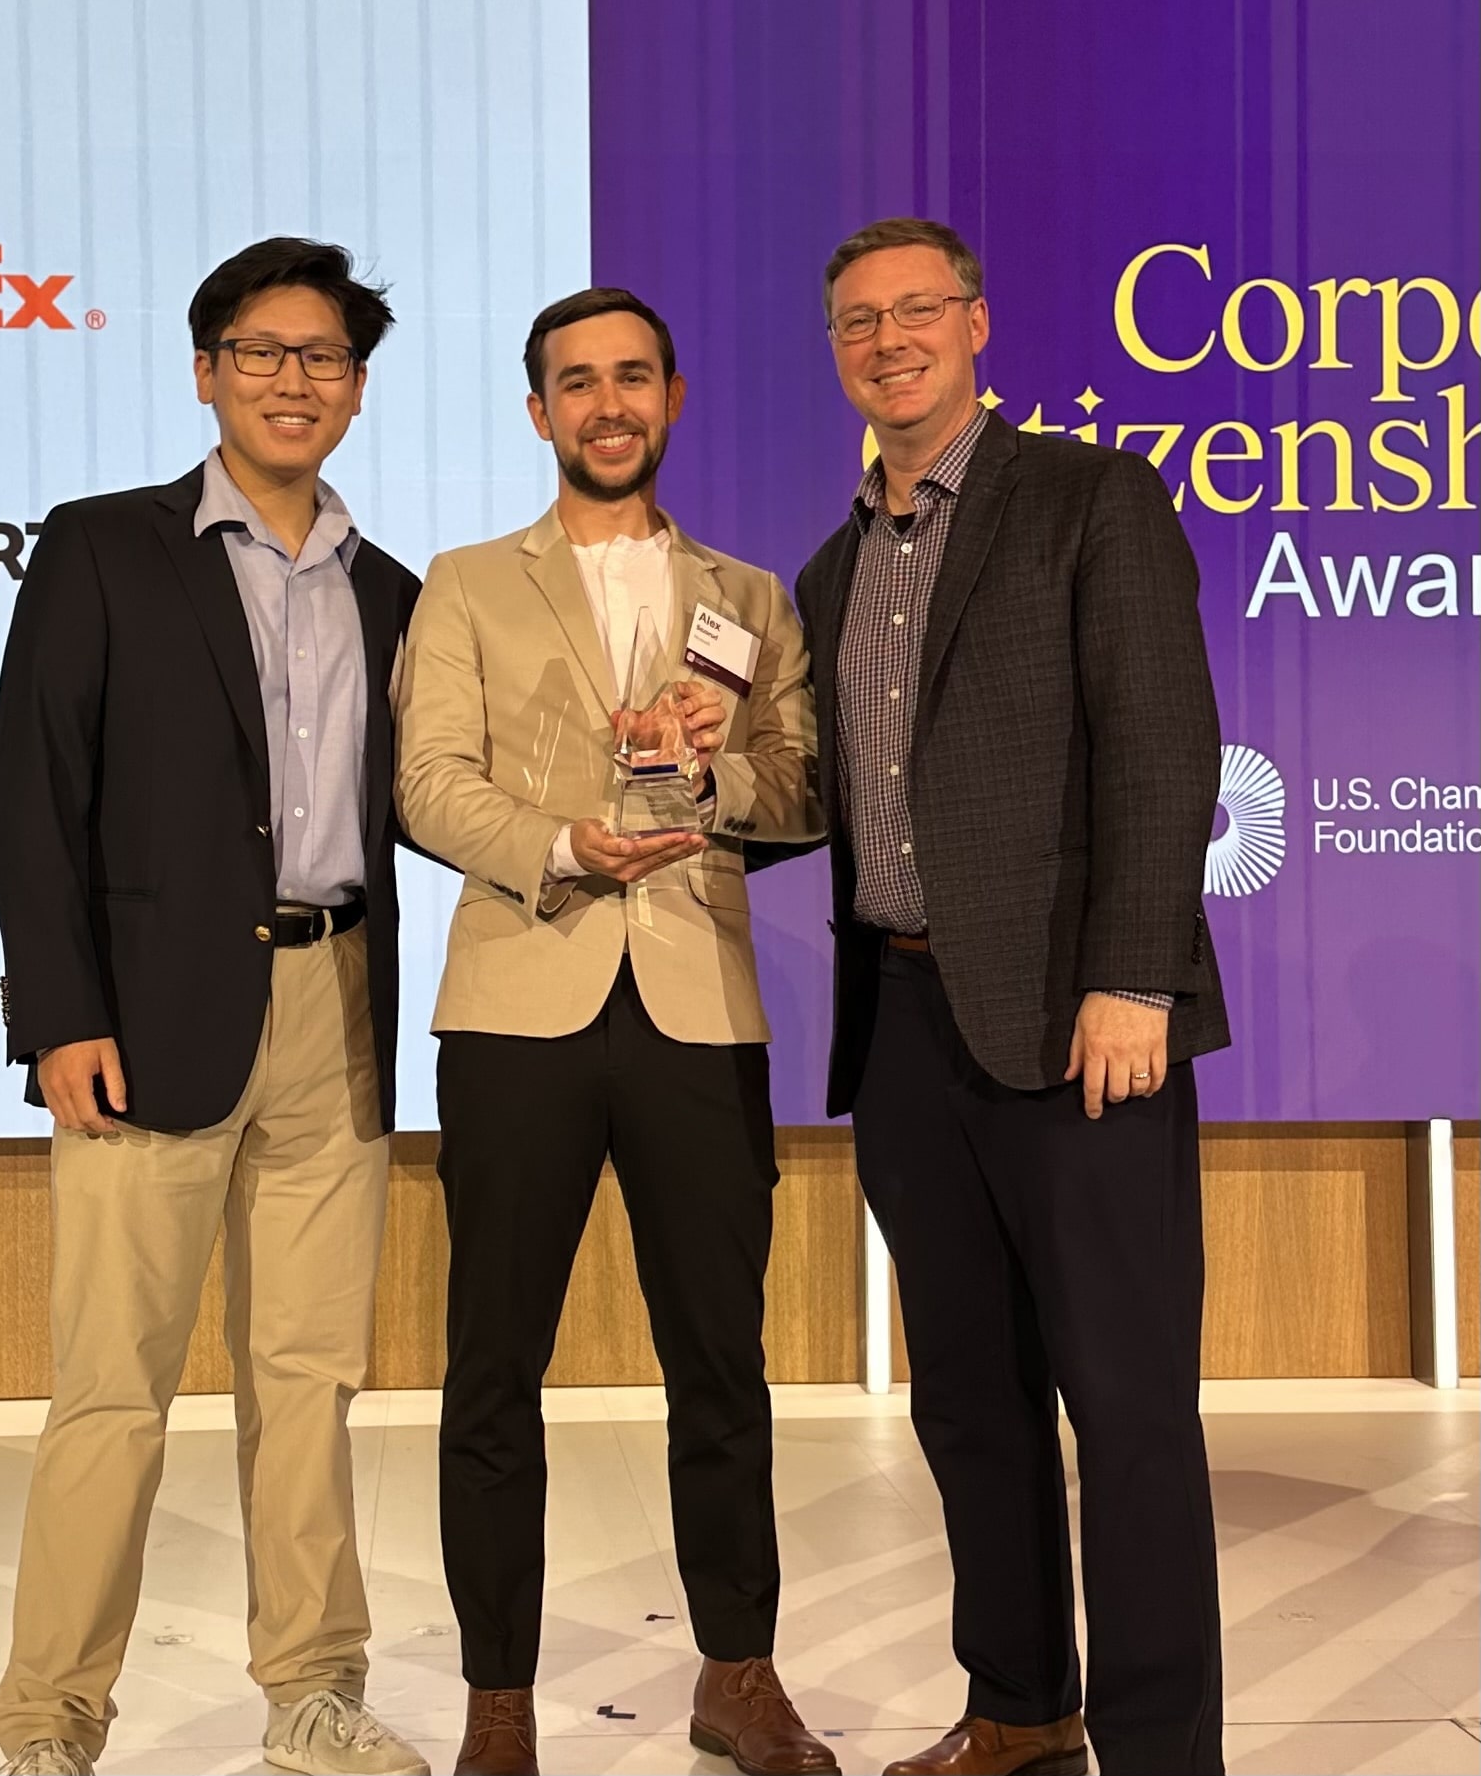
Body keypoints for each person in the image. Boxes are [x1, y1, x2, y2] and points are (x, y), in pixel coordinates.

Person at [0, 237, 428, 1776]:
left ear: (357, 391)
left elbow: (438, 796)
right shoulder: (105, 546)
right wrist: (58, 1013)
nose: (291, 379)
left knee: (308, 1382)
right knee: (113, 1384)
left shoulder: (393, 590)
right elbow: (34, 796)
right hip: (147, 1016)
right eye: (261, 351)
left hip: (338, 1008)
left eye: (321, 358)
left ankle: (312, 1691)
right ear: (205, 369)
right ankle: (48, 1717)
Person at [794, 218, 1229, 1776]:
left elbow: (1163, 744)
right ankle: (1020, 1708)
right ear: (833, 346)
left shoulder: (1087, 497)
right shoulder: (829, 563)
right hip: (905, 1028)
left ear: (976, 323)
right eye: (857, 319)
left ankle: (1164, 1752)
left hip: (1075, 1020)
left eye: (917, 309)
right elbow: (825, 795)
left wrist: (1130, 975)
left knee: (1124, 1409)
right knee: (969, 1405)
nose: (888, 337)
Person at [395, 286, 838, 1776]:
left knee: (721, 1360)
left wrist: (712, 792)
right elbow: (428, 785)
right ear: (537, 412)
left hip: (697, 1007)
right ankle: (498, 1699)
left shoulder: (749, 594)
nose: (605, 404)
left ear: (673, 395)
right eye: (574, 381)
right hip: (521, 997)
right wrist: (566, 842)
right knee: (491, 1365)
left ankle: (738, 1671)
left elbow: (800, 787)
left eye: (631, 376)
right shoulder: (463, 582)